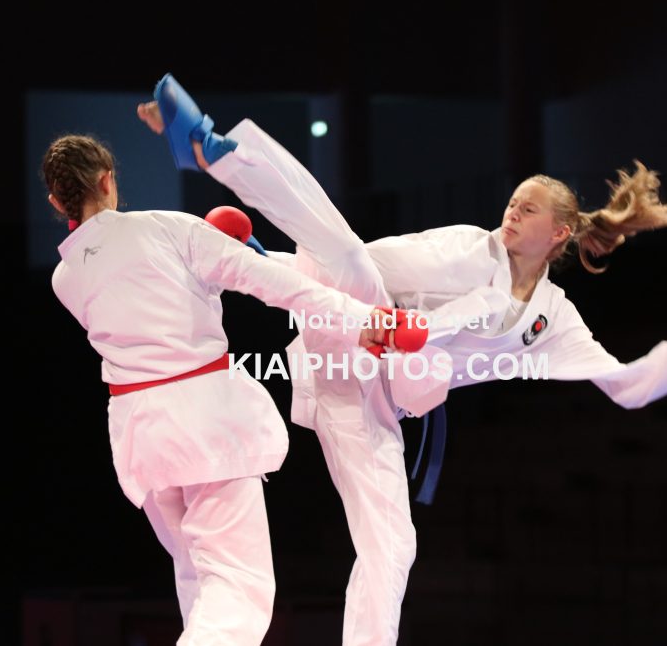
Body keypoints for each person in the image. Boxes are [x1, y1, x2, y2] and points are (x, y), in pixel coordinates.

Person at [137, 74, 667, 646]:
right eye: (514, 201)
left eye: (529, 210)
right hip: (359, 328)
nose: (512, 213)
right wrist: (277, 265)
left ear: (559, 234)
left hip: (370, 400)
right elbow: (353, 267)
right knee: (349, 255)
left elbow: (622, 383)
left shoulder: (554, 321)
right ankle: (212, 149)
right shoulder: (467, 250)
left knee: (393, 545)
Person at [42, 132, 419, 645]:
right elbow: (276, 284)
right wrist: (366, 319)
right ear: (108, 180)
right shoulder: (168, 229)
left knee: (198, 577)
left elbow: (147, 294)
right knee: (239, 589)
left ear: (56, 201)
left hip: (141, 439)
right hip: (204, 427)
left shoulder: (65, 278)